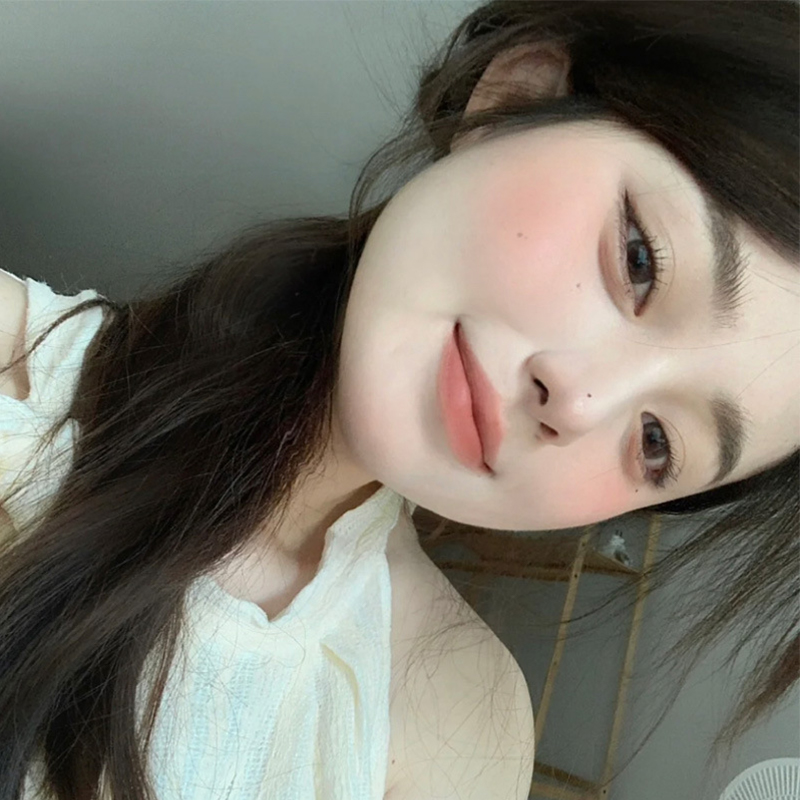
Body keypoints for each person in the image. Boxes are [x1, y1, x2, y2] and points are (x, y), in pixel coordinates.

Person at [0, 2, 796, 798]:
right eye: (640, 259)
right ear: (515, 96)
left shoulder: (463, 725)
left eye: (658, 442)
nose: (581, 402)